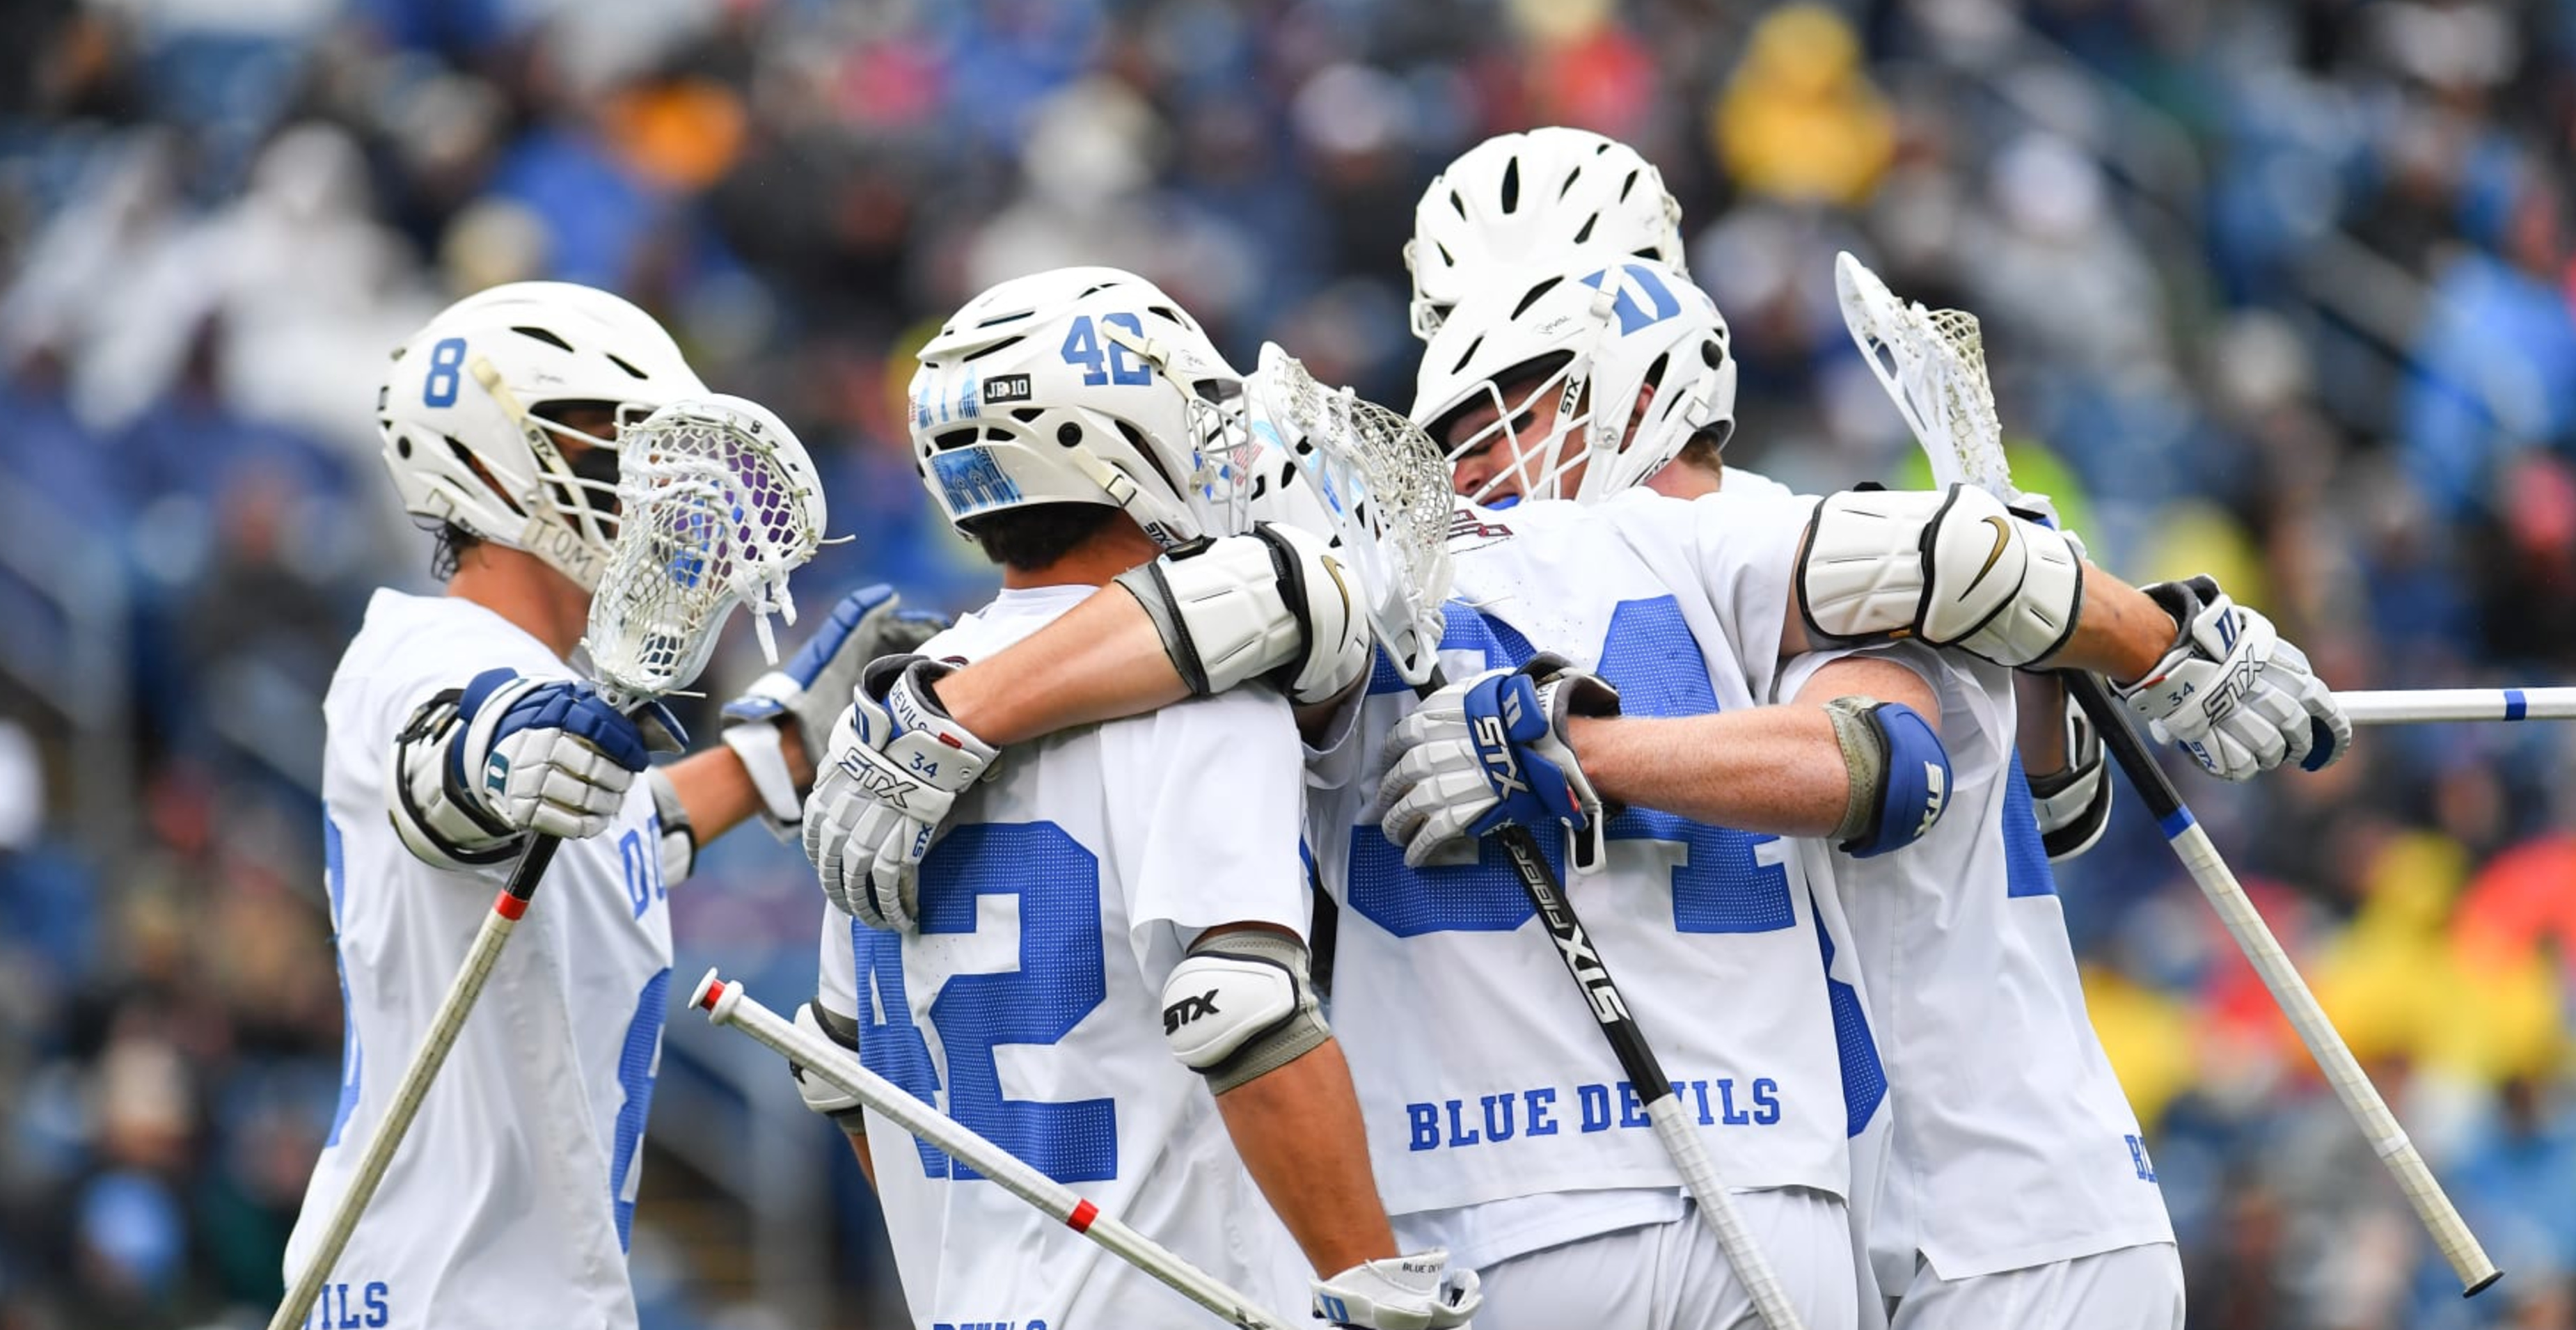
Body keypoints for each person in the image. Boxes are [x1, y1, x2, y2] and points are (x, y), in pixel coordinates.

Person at [798, 264, 2347, 1327]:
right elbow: (1925, 658)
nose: (1483, 452)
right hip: (1780, 1205)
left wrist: (941, 706)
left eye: (1511, 403)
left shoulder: (909, 705)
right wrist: (2155, 634)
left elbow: (838, 1075)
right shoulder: (1215, 678)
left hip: (1470, 1223)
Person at [796, 267, 1481, 1330]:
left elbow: (844, 1072)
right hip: (1170, 1297)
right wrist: (1370, 1278)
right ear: (1125, 439)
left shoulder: (882, 715)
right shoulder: (1205, 698)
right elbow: (1240, 1015)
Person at [290, 281, 926, 1328]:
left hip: (514, 1291)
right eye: (613, 447)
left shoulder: (548, 698)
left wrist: (775, 752)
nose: (650, 488)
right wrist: (506, 755)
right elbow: (457, 770)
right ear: (491, 461)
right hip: (440, 1297)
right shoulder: (430, 653)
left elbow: (620, 838)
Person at [1403, 126, 2114, 862]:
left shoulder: (1776, 538)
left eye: (1531, 371)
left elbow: (1942, 781)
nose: (1479, 452)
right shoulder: (1431, 571)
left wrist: (1574, 747)